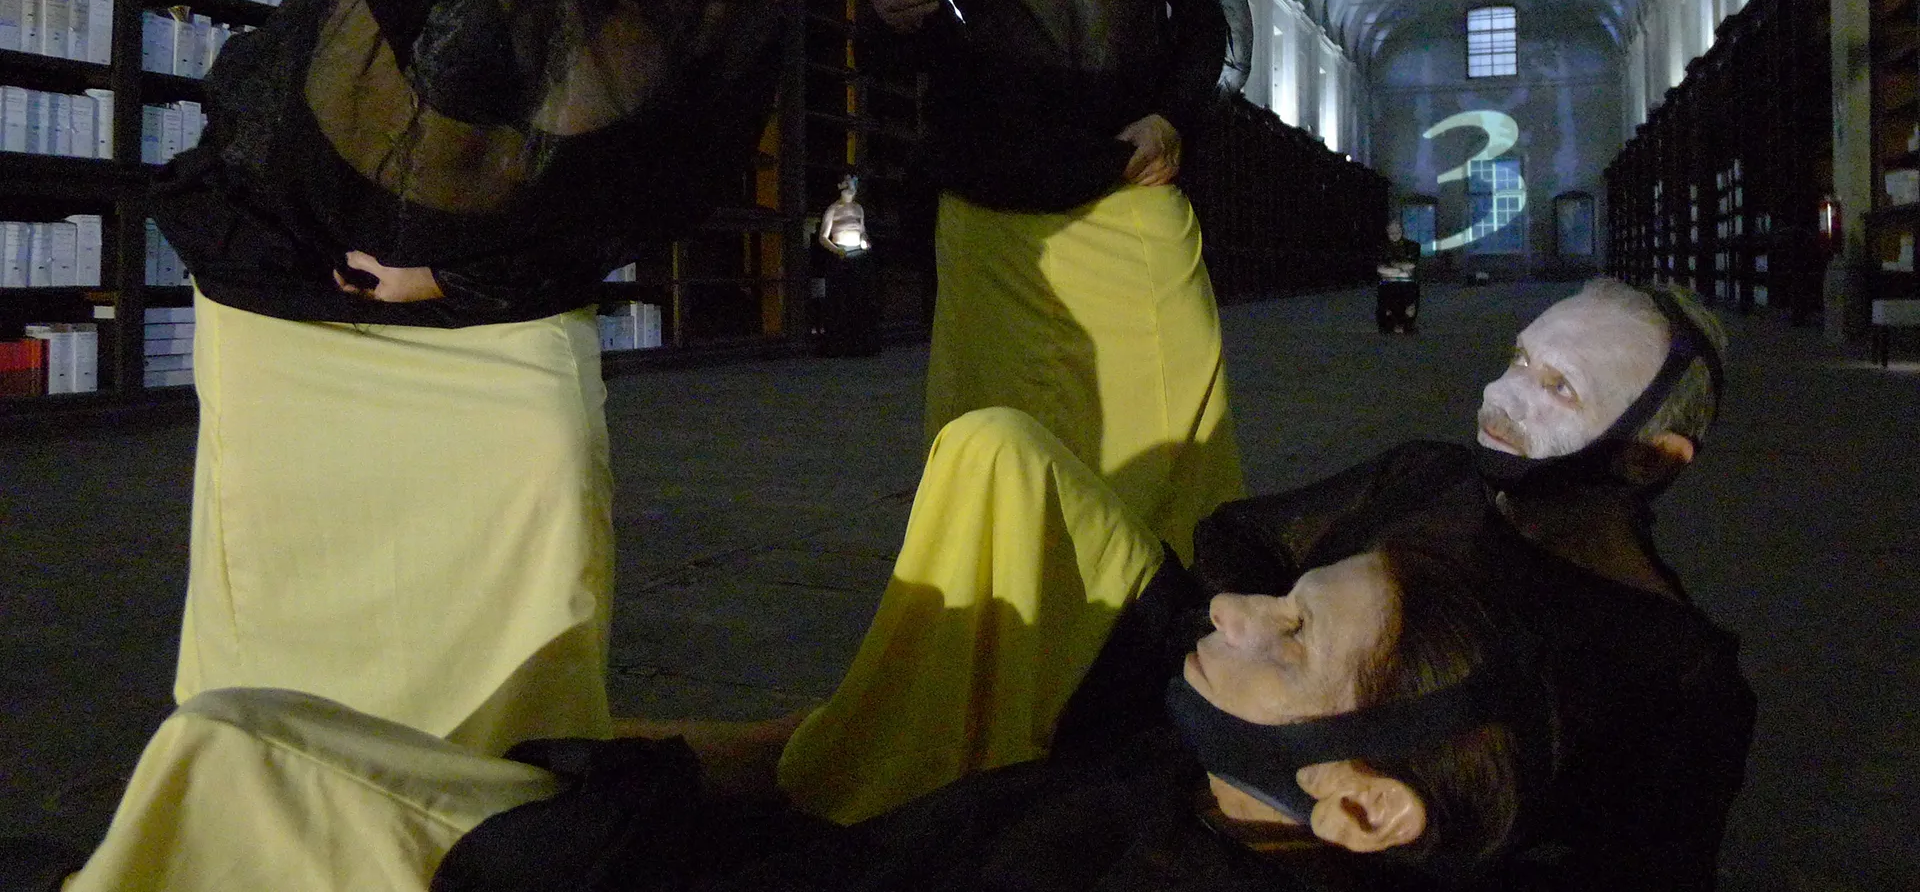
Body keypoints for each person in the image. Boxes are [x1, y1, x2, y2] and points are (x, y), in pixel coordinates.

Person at [151, 0, 796, 754]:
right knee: (282, 635)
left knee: (524, 615)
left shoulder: (728, 11)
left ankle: (501, 823)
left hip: (502, 334)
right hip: (289, 312)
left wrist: (464, 281)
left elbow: (649, 206)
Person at [54, 536, 1552, 892]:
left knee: (233, 748)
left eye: (1291, 639)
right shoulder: (1204, 787)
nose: (1233, 612)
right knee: (245, 738)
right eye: (1277, 593)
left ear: (1364, 803)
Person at [865, 0, 1253, 566]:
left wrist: (1173, 115)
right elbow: (890, 40)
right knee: (998, 422)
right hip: (996, 194)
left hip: (1131, 174)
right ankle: (1019, 597)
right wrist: (885, 9)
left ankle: (1171, 599)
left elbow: (1209, 21)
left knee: (1179, 400)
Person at [1184, 279, 1753, 889]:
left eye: (1561, 387)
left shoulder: (1678, 675)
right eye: (1519, 359)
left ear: (1650, 457)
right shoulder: (1431, 479)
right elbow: (1241, 539)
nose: (1499, 394)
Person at [1375, 219, 1421, 334]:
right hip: (1387, 282)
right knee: (1386, 304)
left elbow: (1411, 265)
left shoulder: (1413, 246)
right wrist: (1401, 269)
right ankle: (1391, 324)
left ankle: (1406, 324)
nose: (1395, 235)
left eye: (1397, 232)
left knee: (1409, 304)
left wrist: (1391, 265)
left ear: (1402, 231)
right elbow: (1380, 269)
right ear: (1387, 232)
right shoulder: (1381, 247)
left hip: (1408, 283)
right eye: (1392, 232)